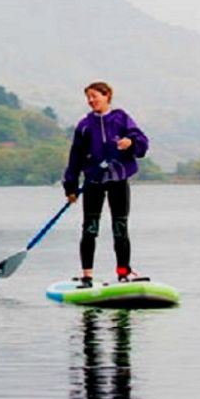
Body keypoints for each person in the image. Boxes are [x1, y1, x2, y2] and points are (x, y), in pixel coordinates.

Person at [62, 81, 150, 288]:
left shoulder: (121, 118)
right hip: (94, 182)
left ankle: (123, 273)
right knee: (90, 229)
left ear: (107, 95)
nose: (91, 101)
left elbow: (142, 142)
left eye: (95, 96)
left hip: (119, 180)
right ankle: (87, 276)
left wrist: (131, 143)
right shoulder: (84, 125)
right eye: (88, 97)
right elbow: (75, 157)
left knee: (120, 227)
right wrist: (71, 186)